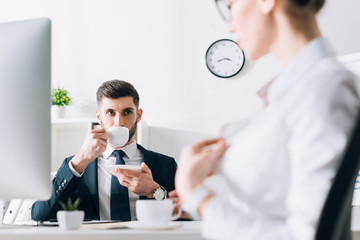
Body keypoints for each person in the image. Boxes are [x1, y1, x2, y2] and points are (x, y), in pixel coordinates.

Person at [175, 0, 360, 239]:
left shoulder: (323, 88)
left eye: (230, 7)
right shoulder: (299, 89)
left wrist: (198, 197)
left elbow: (308, 235)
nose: (230, 26)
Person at [32, 80, 177, 221]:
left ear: (138, 116)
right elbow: (39, 214)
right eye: (110, 112)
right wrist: (80, 159)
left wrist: (155, 191)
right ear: (99, 116)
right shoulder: (77, 166)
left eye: (127, 112)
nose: (119, 122)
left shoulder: (166, 165)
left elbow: (190, 215)